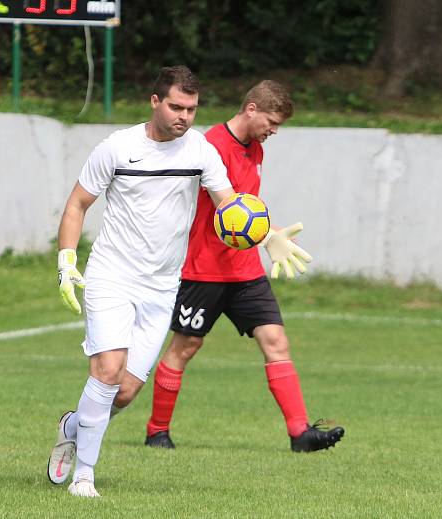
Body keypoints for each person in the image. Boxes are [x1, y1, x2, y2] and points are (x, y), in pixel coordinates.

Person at [46, 66, 236, 498]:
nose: (184, 116)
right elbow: (77, 204)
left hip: (162, 287)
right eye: (175, 106)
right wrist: (66, 260)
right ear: (154, 101)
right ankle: (84, 476)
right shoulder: (117, 148)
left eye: (191, 108)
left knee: (126, 392)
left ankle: (72, 427)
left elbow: (230, 207)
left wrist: (269, 235)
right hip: (112, 275)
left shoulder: (201, 151)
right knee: (108, 371)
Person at [143, 80, 345, 453]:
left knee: (275, 341)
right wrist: (268, 234)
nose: (274, 130)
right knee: (185, 347)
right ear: (251, 109)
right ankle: (157, 431)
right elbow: (226, 209)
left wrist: (272, 234)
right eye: (271, 121)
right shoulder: (210, 147)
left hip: (245, 270)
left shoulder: (255, 149)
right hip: (203, 269)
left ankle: (300, 433)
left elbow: (246, 211)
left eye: (278, 125)